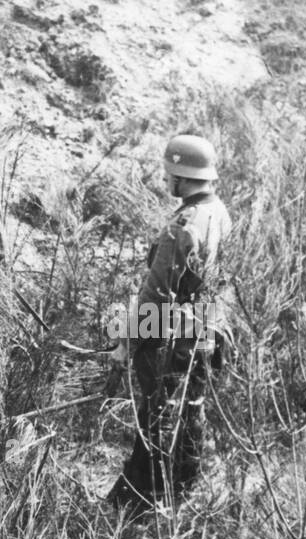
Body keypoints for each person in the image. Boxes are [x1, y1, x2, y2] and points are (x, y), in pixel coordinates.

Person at [107, 133, 233, 511]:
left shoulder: (185, 223)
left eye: (168, 174)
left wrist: (125, 343)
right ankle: (183, 492)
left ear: (180, 175)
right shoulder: (219, 211)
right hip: (207, 332)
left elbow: (156, 294)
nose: (166, 182)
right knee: (190, 413)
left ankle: (136, 502)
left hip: (175, 338)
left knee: (156, 419)